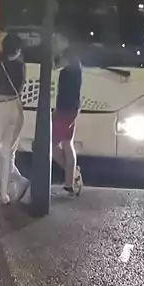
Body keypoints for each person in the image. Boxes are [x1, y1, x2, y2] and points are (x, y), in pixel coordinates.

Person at [0, 33, 29, 206]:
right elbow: (20, 87)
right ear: (18, 50)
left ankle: (8, 188)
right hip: (14, 107)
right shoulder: (21, 66)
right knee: (7, 152)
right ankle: (9, 187)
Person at [54, 43, 84, 196]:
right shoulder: (76, 69)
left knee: (52, 146)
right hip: (70, 110)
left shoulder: (70, 71)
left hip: (64, 111)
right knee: (67, 143)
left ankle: (72, 175)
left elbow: (53, 66)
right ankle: (70, 180)